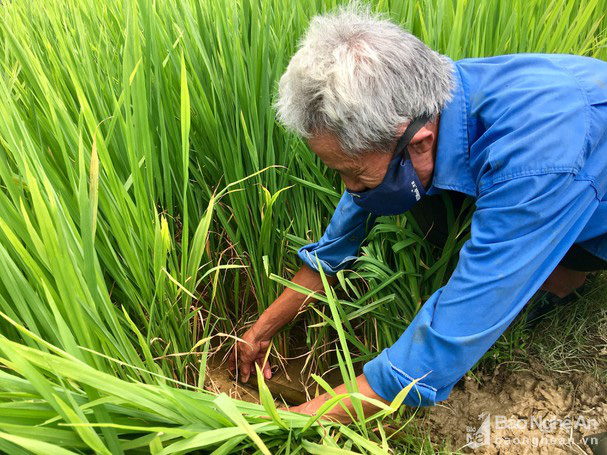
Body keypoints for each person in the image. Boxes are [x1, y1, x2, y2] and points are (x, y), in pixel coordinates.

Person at [228, 5, 607, 423]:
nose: (349, 190)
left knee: (549, 271)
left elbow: (443, 343)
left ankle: (560, 289)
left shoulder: (536, 163)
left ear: (420, 142)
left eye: (352, 174)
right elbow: (340, 241)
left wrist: (298, 420)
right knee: (420, 201)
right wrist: (262, 328)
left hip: (581, 172)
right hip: (562, 157)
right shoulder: (422, 100)